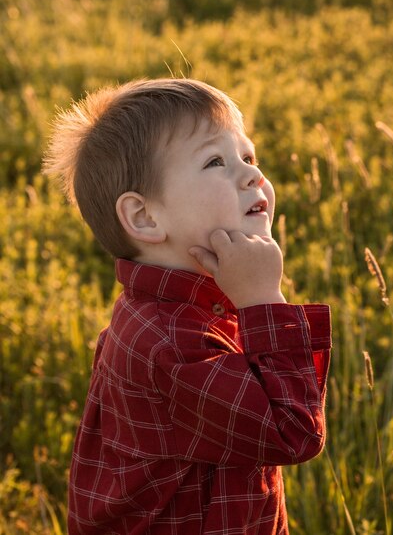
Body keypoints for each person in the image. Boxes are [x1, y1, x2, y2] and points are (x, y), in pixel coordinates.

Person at [43, 78, 331, 535]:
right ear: (145, 218)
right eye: (216, 161)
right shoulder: (174, 344)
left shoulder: (176, 309)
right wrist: (263, 299)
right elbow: (293, 431)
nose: (253, 175)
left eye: (248, 156)